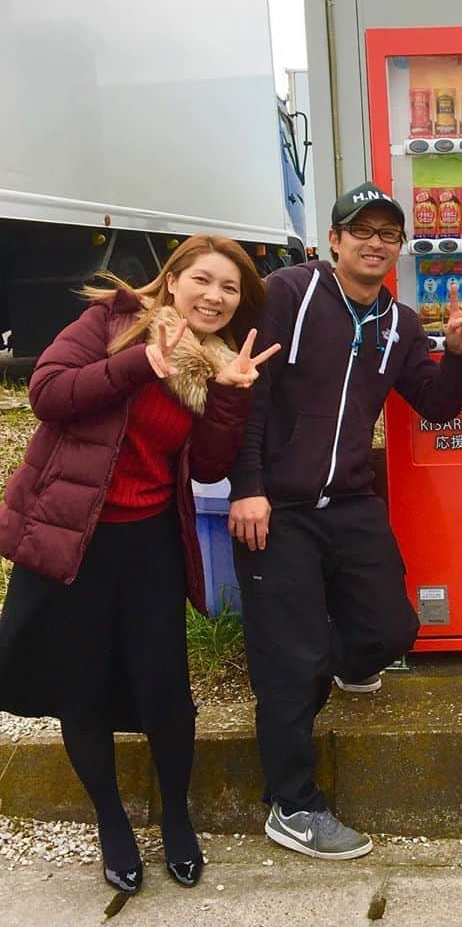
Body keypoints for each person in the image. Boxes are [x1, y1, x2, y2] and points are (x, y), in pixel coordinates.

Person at [0, 235, 279, 895]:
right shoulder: (112, 322)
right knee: (82, 688)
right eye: (203, 280)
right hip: (74, 539)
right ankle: (112, 824)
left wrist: (233, 396)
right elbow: (48, 393)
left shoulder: (216, 361)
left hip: (150, 539)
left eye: (230, 288)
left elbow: (209, 466)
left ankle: (177, 817)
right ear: (173, 279)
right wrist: (139, 366)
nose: (215, 296)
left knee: (166, 693)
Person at [228, 182, 462, 860]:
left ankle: (334, 663)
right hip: (275, 505)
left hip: (349, 499)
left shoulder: (401, 324)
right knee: (291, 661)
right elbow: (251, 394)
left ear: (398, 249)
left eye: (387, 234)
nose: (373, 242)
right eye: (359, 230)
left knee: (392, 630)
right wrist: (246, 487)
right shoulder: (289, 293)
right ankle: (293, 804)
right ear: (333, 239)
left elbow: (435, 405)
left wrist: (456, 354)